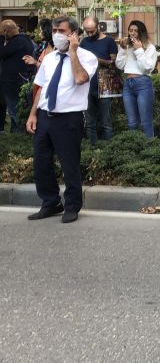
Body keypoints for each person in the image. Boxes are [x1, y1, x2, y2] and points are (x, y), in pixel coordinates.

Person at [25, 16, 98, 224]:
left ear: (74, 34)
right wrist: (33, 114)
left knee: (69, 164)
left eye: (61, 31)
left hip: (69, 119)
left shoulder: (87, 57)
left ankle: (72, 205)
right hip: (46, 117)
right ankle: (50, 202)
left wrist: (73, 52)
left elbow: (80, 79)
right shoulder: (49, 58)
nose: (56, 34)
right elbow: (42, 88)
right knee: (41, 163)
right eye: (54, 30)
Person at [115, 20, 158, 138]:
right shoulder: (127, 46)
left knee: (145, 122)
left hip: (143, 83)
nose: (132, 33)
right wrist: (122, 50)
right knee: (132, 122)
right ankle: (134, 152)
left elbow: (147, 68)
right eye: (130, 31)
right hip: (128, 84)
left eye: (136, 31)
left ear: (141, 33)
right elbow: (119, 65)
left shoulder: (150, 47)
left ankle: (149, 150)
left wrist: (139, 50)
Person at [79, 16, 118, 144]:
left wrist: (100, 61)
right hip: (87, 86)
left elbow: (115, 64)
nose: (89, 34)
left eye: (92, 31)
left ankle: (107, 150)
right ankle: (92, 149)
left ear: (98, 27)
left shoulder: (109, 42)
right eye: (87, 31)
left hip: (104, 86)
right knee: (90, 122)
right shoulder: (84, 42)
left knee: (105, 122)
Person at [0, 20, 36, 132]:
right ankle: (15, 131)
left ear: (6, 31)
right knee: (15, 109)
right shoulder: (24, 40)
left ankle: (19, 133)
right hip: (17, 79)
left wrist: (1, 38)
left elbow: (2, 52)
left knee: (14, 110)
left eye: (2, 31)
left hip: (13, 81)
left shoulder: (18, 41)